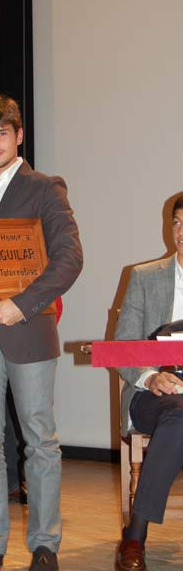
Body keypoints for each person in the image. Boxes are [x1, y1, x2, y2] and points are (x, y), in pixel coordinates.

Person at [0, 94, 83, 571]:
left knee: (39, 439)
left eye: (2, 133)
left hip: (27, 326)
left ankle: (45, 544)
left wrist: (20, 305)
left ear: (19, 135)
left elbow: (69, 258)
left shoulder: (46, 188)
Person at [114, 194, 183, 571]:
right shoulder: (144, 277)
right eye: (177, 222)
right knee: (178, 415)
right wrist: (151, 376)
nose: (182, 232)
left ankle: (133, 534)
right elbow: (124, 347)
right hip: (153, 390)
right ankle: (136, 537)